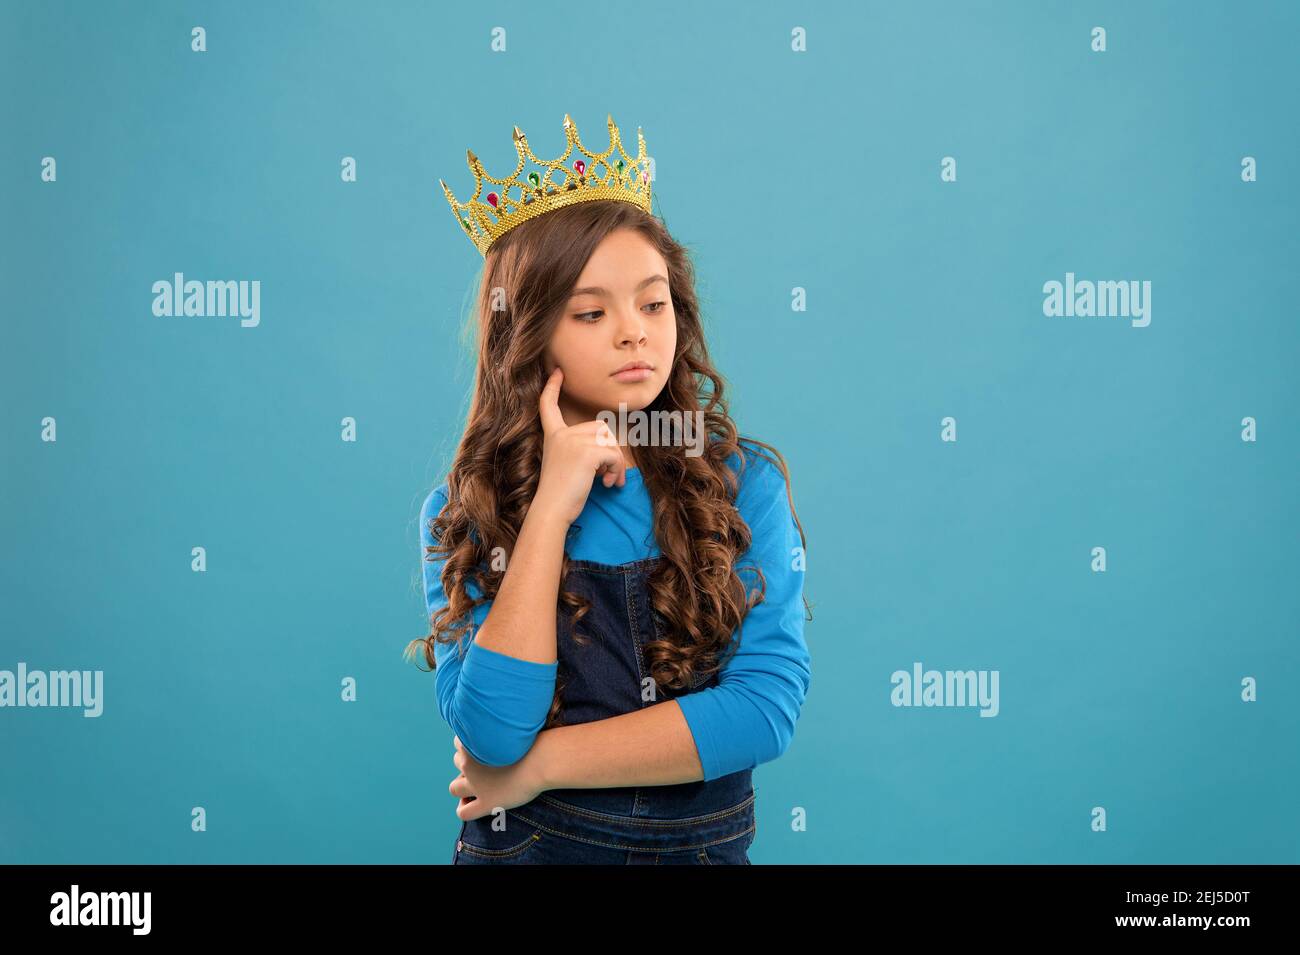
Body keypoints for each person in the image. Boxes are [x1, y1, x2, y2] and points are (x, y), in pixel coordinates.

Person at [406, 114, 812, 864]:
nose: (634, 332)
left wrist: (539, 769)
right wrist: (552, 510)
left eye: (652, 303)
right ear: (528, 334)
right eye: (592, 312)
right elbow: (492, 731)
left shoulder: (742, 485)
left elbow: (762, 709)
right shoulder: (466, 514)